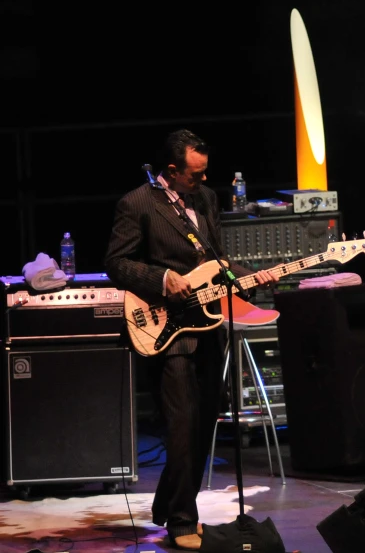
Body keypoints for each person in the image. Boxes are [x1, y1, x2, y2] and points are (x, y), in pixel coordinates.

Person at [104, 129, 279, 550]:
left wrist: (251, 280)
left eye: (204, 173)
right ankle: (182, 519)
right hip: (167, 328)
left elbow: (215, 260)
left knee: (202, 427)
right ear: (171, 170)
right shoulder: (137, 204)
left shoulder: (205, 200)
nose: (202, 181)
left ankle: (169, 503)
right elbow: (116, 263)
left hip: (208, 325)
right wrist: (162, 278)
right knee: (181, 426)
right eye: (194, 175)